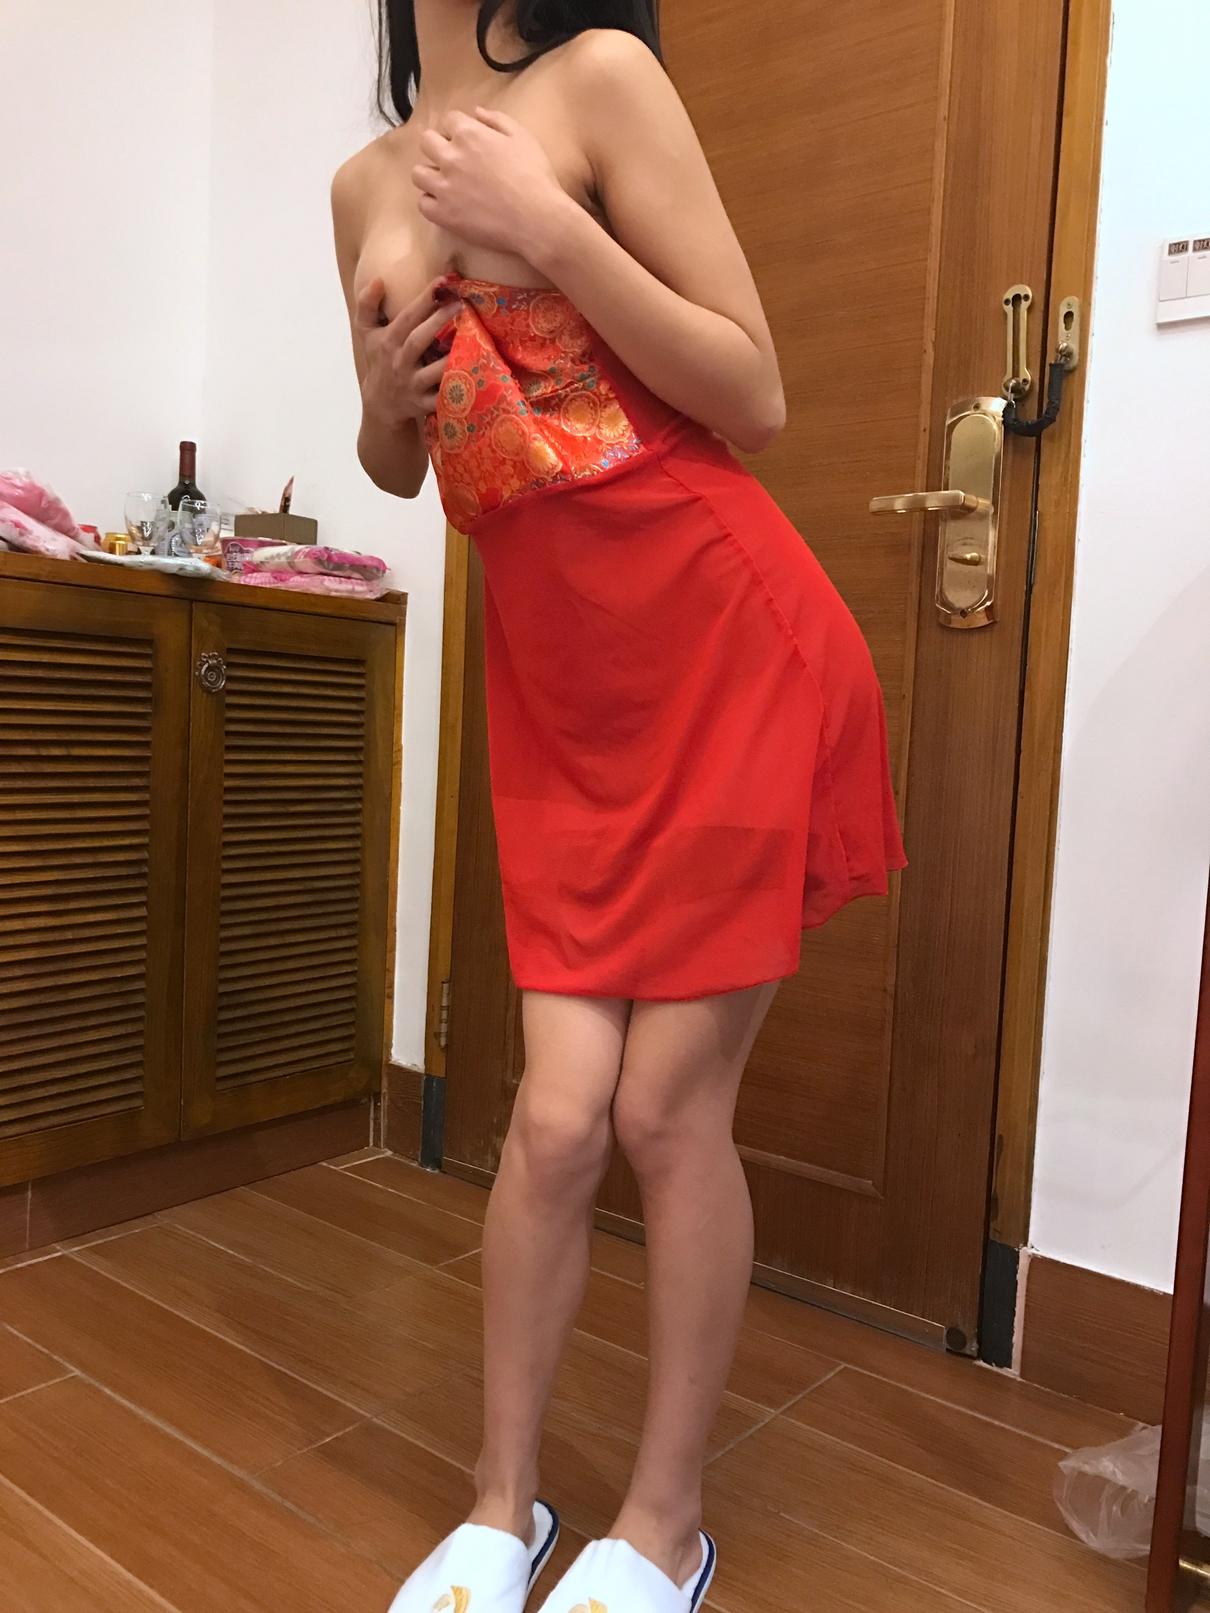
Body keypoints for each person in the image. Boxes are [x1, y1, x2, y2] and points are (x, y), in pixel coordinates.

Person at [333, 3, 906, 1608]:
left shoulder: (598, 80)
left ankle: (664, 1524)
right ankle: (498, 1505)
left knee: (661, 1114)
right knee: (553, 1118)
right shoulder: (358, 183)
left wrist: (551, 233)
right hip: (561, 697)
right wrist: (377, 399)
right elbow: (398, 465)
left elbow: (753, 390)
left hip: (726, 651)